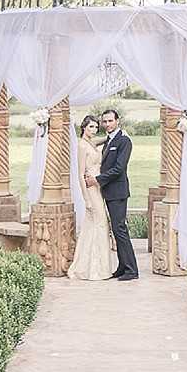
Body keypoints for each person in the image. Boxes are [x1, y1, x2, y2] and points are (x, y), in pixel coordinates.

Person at [85, 109, 139, 281]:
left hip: (118, 191)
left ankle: (132, 270)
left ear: (117, 121)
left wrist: (97, 180)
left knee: (120, 229)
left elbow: (118, 168)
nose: (107, 124)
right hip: (108, 192)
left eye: (110, 121)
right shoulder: (109, 140)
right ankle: (122, 267)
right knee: (116, 230)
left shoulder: (124, 141)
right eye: (105, 122)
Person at [67, 115, 116, 281]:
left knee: (96, 225)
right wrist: (86, 199)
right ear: (83, 128)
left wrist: (116, 134)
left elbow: (103, 140)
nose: (93, 130)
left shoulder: (91, 143)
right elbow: (80, 174)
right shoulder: (81, 146)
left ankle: (100, 267)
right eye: (90, 127)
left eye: (96, 127)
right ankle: (92, 269)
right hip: (90, 190)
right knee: (100, 222)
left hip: (99, 187)